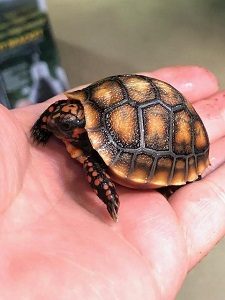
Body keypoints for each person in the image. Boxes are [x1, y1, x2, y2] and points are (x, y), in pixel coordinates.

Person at [0, 65, 224, 299]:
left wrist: (105, 190)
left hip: (175, 134)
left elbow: (94, 166)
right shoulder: (72, 117)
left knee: (93, 163)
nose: (57, 124)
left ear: (79, 131)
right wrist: (41, 128)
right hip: (111, 99)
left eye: (66, 127)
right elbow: (56, 112)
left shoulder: (91, 153)